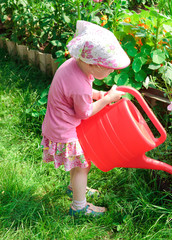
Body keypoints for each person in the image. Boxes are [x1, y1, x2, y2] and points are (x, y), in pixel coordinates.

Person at [41, 20, 130, 217]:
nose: (112, 71)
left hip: (57, 124)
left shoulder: (74, 65)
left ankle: (75, 188)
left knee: (79, 163)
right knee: (82, 165)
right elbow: (85, 112)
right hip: (64, 131)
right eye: (108, 67)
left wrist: (98, 94)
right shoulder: (79, 85)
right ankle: (79, 207)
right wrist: (106, 99)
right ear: (91, 63)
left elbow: (80, 93)